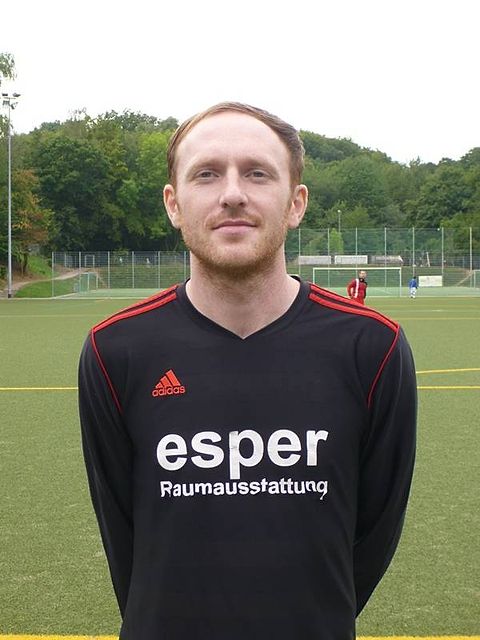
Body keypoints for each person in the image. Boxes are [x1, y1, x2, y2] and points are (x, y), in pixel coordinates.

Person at [78, 102, 417, 640]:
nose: (232, 193)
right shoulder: (114, 349)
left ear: (295, 203)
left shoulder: (374, 346)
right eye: (206, 174)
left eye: (257, 173)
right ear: (173, 204)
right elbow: (124, 536)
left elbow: (374, 532)